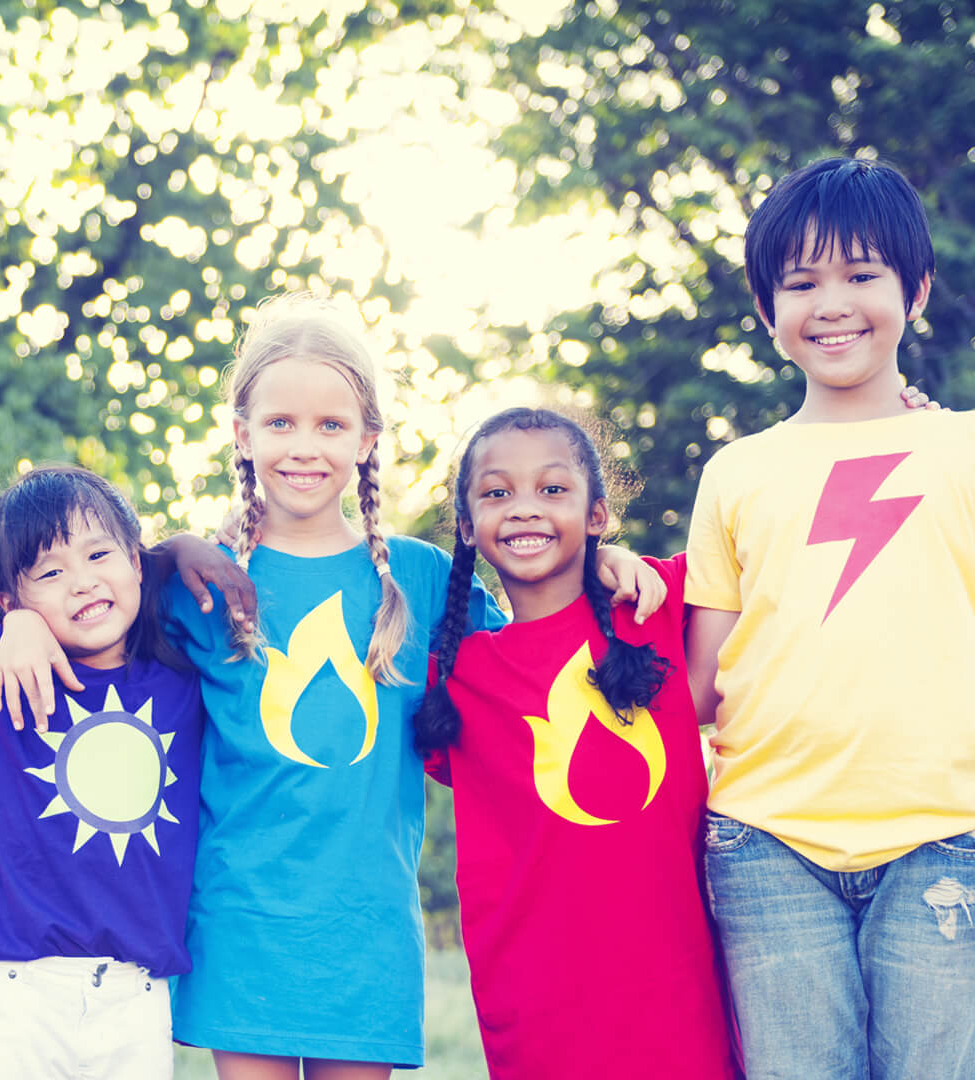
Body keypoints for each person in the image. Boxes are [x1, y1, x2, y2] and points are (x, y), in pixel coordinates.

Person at [155, 300, 509, 1080]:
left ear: (367, 439)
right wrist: (160, 554)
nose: (303, 447)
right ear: (241, 434)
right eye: (279, 423)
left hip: (365, 927)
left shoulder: (421, 579)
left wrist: (605, 568)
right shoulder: (198, 583)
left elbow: (536, 663)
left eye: (330, 426)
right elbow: (81, 618)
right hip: (242, 921)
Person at [685, 156, 975, 1078]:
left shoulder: (963, 449)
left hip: (945, 833)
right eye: (801, 283)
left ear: (915, 290)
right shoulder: (735, 473)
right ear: (769, 314)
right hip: (765, 841)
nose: (833, 303)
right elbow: (700, 678)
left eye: (862, 275)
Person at [411, 407, 736, 1080]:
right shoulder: (456, 673)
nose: (524, 509)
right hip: (535, 1006)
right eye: (497, 493)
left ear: (597, 515)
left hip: (677, 994)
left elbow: (762, 538)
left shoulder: (656, 608)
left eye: (553, 490)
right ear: (467, 527)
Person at [0, 464, 206, 1080]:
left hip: (135, 995)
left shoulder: (183, 675)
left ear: (136, 559)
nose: (82, 582)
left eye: (99, 553)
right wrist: (13, 624)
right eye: (50, 572)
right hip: (9, 988)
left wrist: (177, 548)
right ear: (6, 596)